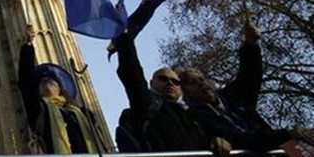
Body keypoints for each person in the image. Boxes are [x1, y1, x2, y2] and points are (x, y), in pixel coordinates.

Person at [178, 22, 314, 152]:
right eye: (192, 82)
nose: (202, 83)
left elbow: (249, 76)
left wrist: (250, 44)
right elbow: (241, 139)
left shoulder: (230, 96)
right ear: (184, 92)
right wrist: (288, 134)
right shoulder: (196, 117)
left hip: (282, 148)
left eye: (202, 79)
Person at [113, 31, 231, 155]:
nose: (170, 83)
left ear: (181, 89)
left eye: (176, 82)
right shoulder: (147, 106)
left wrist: (218, 139)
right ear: (151, 83)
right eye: (163, 79)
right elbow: (132, 73)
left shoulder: (196, 115)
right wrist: (125, 38)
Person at [18, 25, 100, 154]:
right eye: (41, 81)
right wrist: (27, 46)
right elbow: (26, 83)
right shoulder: (39, 111)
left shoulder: (82, 114)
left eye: (51, 78)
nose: (45, 79)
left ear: (61, 88)